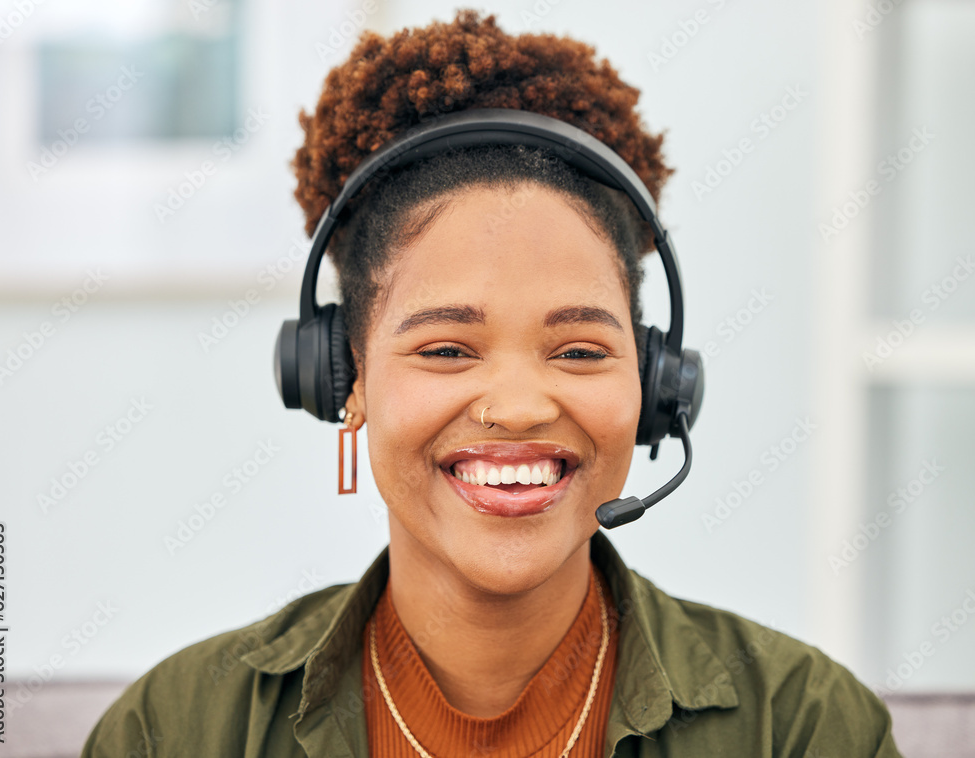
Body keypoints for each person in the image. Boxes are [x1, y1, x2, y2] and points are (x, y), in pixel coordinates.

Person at [81, 10, 902, 757]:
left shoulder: (802, 727)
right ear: (344, 378)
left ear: (657, 388)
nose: (516, 407)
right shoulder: (179, 730)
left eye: (579, 351)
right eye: (447, 350)